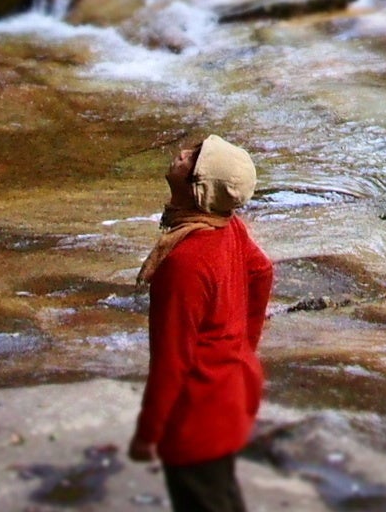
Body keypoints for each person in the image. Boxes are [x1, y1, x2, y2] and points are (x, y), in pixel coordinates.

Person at [129, 133, 275, 512]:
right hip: (229, 396)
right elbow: (261, 271)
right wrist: (244, 346)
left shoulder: (184, 263)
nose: (183, 153)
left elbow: (171, 361)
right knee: (222, 493)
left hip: (195, 417)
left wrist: (149, 431)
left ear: (198, 189)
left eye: (193, 159)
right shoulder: (228, 227)